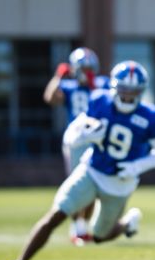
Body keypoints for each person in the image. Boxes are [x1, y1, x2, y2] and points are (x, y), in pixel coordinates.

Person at [0, 61, 155, 260]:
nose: (128, 97)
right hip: (91, 170)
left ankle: (127, 224)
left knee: (99, 236)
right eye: (124, 91)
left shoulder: (150, 115)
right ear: (114, 88)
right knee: (55, 214)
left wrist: (136, 167)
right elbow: (71, 135)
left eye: (133, 92)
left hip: (120, 183)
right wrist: (86, 136)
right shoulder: (100, 101)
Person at [42, 47, 108, 244]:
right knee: (76, 184)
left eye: (89, 68)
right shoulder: (69, 86)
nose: (86, 71)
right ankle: (76, 227)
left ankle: (81, 227)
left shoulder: (100, 84)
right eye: (83, 68)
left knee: (96, 183)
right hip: (76, 140)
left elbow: (107, 102)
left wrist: (93, 84)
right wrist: (57, 77)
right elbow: (50, 98)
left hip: (96, 139)